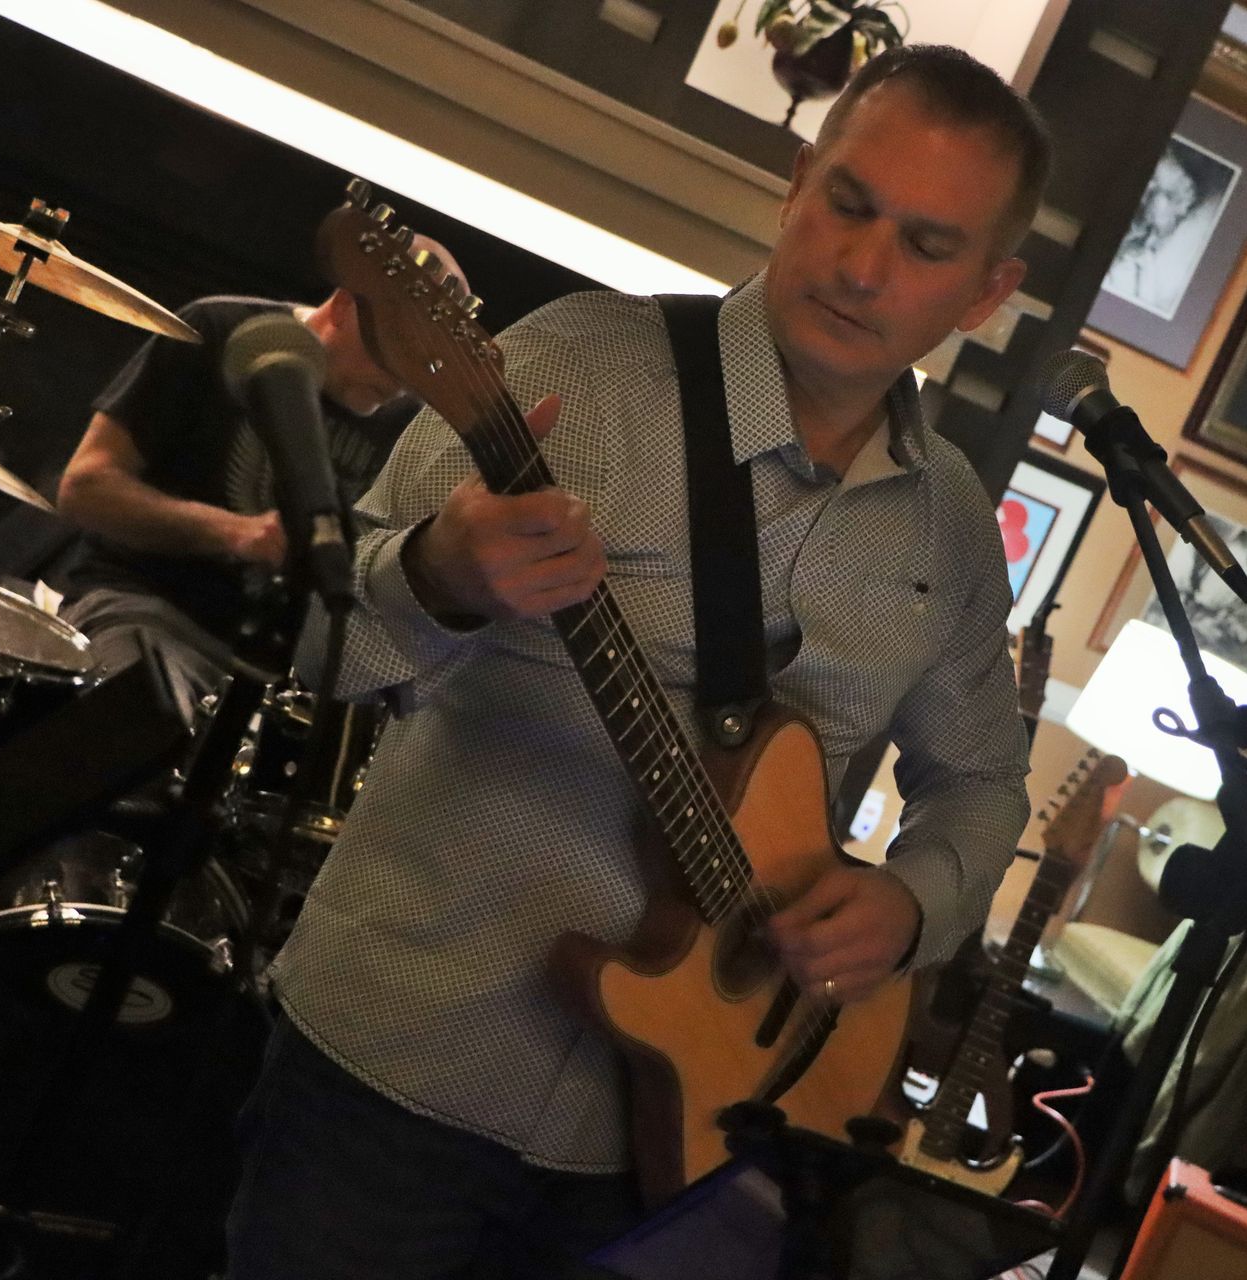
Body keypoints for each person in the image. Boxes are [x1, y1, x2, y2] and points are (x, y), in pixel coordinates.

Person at [229, 45, 1049, 1277]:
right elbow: (321, 647)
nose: (863, 266)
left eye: (927, 246)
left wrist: (910, 903)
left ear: (988, 291)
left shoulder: (953, 525)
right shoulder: (575, 367)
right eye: (847, 203)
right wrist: (441, 573)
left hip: (681, 1148)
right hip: (402, 1069)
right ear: (796, 183)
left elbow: (981, 784)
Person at [53, 240, 460, 720]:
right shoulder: (222, 329)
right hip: (146, 609)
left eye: (420, 368)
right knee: (138, 721)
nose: (400, 384)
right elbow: (84, 488)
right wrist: (235, 533)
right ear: (344, 305)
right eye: (395, 352)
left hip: (287, 674)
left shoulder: (409, 426)